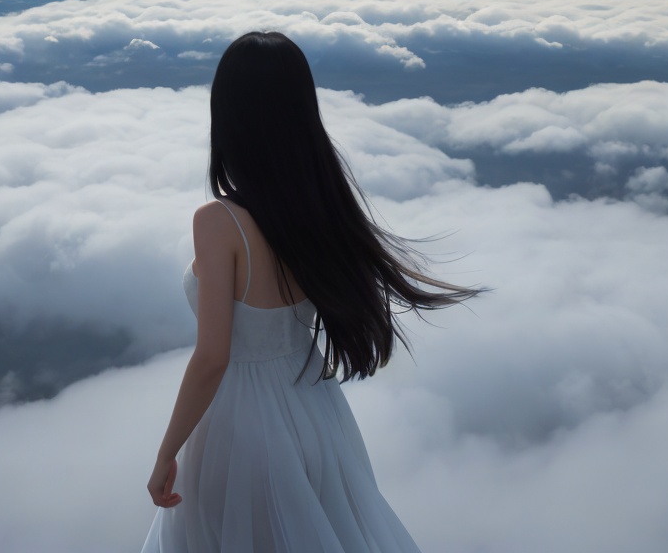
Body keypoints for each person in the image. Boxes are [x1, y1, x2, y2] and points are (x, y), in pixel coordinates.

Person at [142, 31, 480, 552]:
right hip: (316, 413)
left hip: (242, 424)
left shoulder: (219, 222)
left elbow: (213, 357)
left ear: (228, 114)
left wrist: (167, 453)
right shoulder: (318, 206)